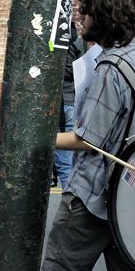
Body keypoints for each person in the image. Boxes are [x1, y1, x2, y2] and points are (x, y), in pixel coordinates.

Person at [33, 0, 135, 271]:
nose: (78, 18)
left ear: (102, 19)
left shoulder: (109, 68)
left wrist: (40, 137)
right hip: (124, 199)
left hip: (91, 196)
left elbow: (88, 139)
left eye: (84, 12)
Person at [53, 24, 83, 190]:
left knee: (65, 164)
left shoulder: (58, 34)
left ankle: (69, 207)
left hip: (62, 105)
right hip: (68, 102)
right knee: (65, 163)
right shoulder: (74, 35)